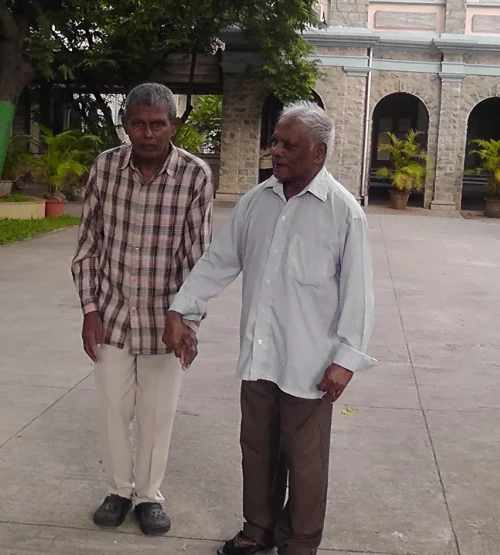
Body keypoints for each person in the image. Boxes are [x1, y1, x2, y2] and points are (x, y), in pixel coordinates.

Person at [163, 100, 375, 555]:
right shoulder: (256, 202)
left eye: (287, 144)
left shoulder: (342, 213)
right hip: (260, 357)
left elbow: (358, 294)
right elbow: (218, 262)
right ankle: (257, 528)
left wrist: (346, 360)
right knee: (257, 449)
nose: (275, 151)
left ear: (318, 153)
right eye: (275, 141)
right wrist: (184, 310)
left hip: (311, 363)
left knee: (305, 461)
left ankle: (299, 543)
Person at [71, 82, 213, 536]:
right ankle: (118, 491)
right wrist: (90, 309)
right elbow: (88, 244)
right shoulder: (105, 168)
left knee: (157, 413)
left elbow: (198, 257)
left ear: (173, 125)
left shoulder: (194, 175)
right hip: (111, 313)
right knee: (113, 408)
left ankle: (149, 497)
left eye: (158, 124)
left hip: (163, 321)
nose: (148, 133)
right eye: (138, 123)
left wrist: (187, 319)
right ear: (126, 125)